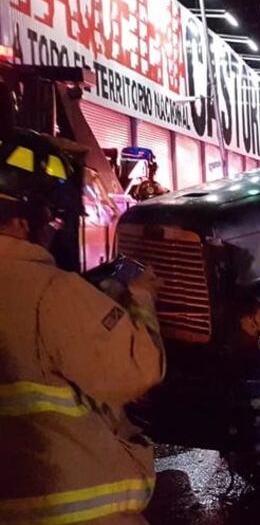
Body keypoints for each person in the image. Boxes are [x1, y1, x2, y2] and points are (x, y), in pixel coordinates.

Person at [0, 129, 165, 524]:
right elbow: (137, 370)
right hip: (75, 508)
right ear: (25, 220)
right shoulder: (50, 291)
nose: (54, 230)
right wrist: (140, 297)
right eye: (53, 218)